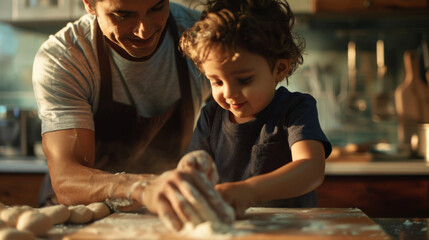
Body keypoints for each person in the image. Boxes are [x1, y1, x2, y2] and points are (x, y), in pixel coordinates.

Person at [32, 0, 233, 231]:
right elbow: (67, 179)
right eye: (122, 15)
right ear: (89, 4)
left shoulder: (201, 36)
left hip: (164, 212)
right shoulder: (66, 58)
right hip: (81, 217)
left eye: (156, 8)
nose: (144, 30)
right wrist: (144, 187)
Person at [179, 0, 332, 218]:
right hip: (234, 228)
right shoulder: (210, 115)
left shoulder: (296, 109)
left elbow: (311, 169)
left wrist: (249, 191)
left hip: (292, 228)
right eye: (217, 82)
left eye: (244, 80)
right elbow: (192, 167)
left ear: (279, 69)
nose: (229, 92)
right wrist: (188, 170)